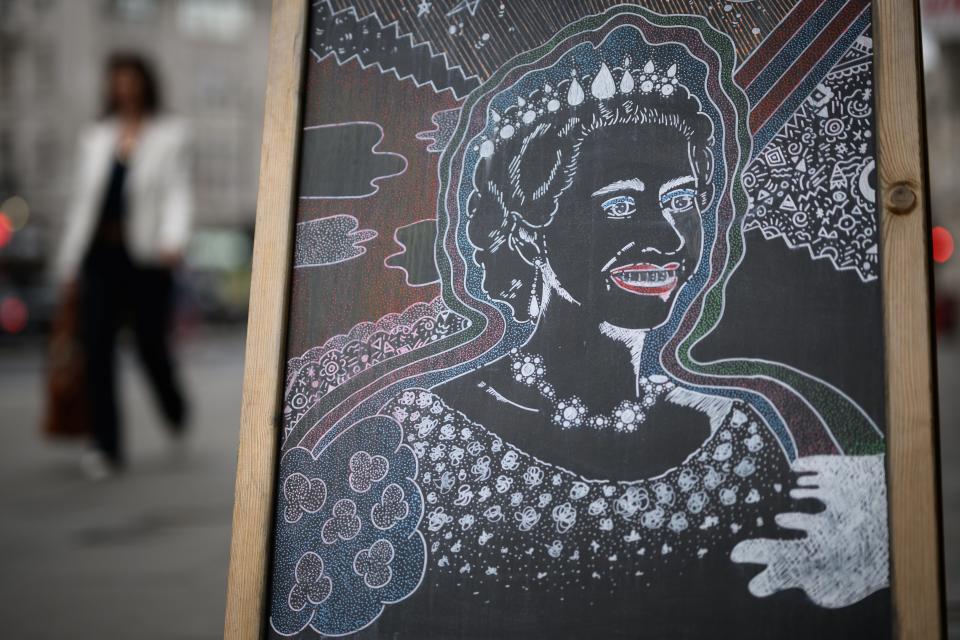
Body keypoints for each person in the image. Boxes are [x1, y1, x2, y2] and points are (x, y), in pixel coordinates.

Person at [53, 53, 192, 478]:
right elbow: (81, 203)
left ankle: (174, 406)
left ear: (145, 84)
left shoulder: (171, 135)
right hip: (100, 255)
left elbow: (176, 192)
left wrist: (174, 239)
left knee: (150, 345)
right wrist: (68, 261)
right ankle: (105, 446)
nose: (124, 88)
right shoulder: (95, 137)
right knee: (96, 348)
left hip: (148, 258)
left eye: (131, 80)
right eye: (118, 80)